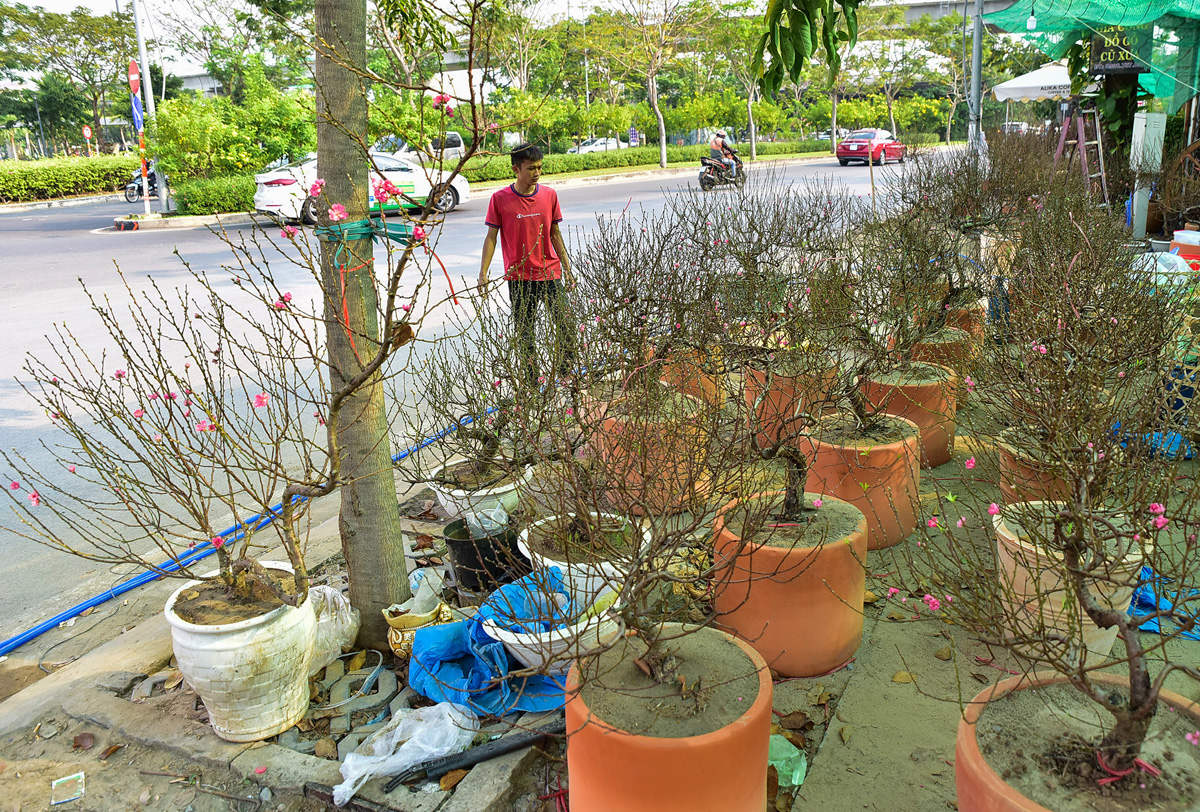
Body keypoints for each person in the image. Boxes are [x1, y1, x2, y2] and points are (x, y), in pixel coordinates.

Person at [478, 143, 576, 384]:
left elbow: (555, 234)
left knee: (566, 323)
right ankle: (532, 382)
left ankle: (565, 372)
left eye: (540, 168)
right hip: (519, 278)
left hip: (550, 274)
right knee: (525, 334)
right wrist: (483, 274)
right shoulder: (500, 199)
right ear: (516, 169)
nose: (537, 173)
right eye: (531, 168)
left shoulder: (549, 195)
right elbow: (491, 238)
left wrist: (568, 268)